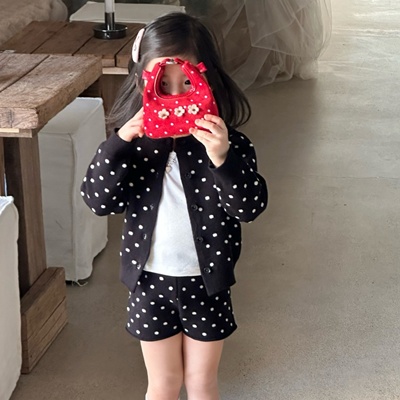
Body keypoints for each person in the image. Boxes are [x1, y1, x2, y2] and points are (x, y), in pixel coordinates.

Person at [81, 12, 267, 400]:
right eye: (163, 84)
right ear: (142, 82)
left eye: (188, 82)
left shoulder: (228, 145)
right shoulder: (132, 147)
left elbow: (249, 207)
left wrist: (222, 159)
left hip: (206, 283)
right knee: (163, 384)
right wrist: (119, 143)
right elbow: (98, 200)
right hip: (149, 283)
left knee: (201, 382)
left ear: (208, 80)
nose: (177, 95)